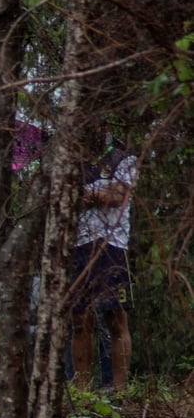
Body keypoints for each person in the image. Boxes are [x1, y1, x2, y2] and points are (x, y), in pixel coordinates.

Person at [69, 134, 138, 390]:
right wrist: (98, 192)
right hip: (77, 245)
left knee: (116, 316)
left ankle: (120, 388)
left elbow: (118, 195)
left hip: (113, 245)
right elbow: (64, 197)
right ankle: (82, 390)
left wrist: (84, 194)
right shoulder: (70, 160)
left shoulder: (123, 157)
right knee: (79, 319)